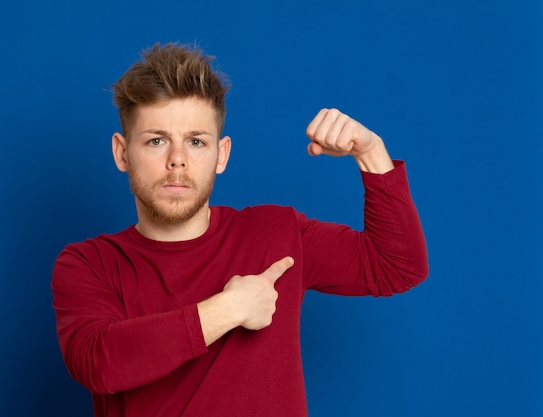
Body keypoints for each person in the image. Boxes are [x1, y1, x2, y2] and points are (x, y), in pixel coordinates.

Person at [52, 42, 428, 417]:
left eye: (196, 141)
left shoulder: (276, 234)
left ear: (222, 154)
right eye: (156, 141)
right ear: (122, 153)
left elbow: (396, 267)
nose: (177, 160)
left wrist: (371, 153)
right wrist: (228, 309)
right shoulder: (89, 264)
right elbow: (98, 363)